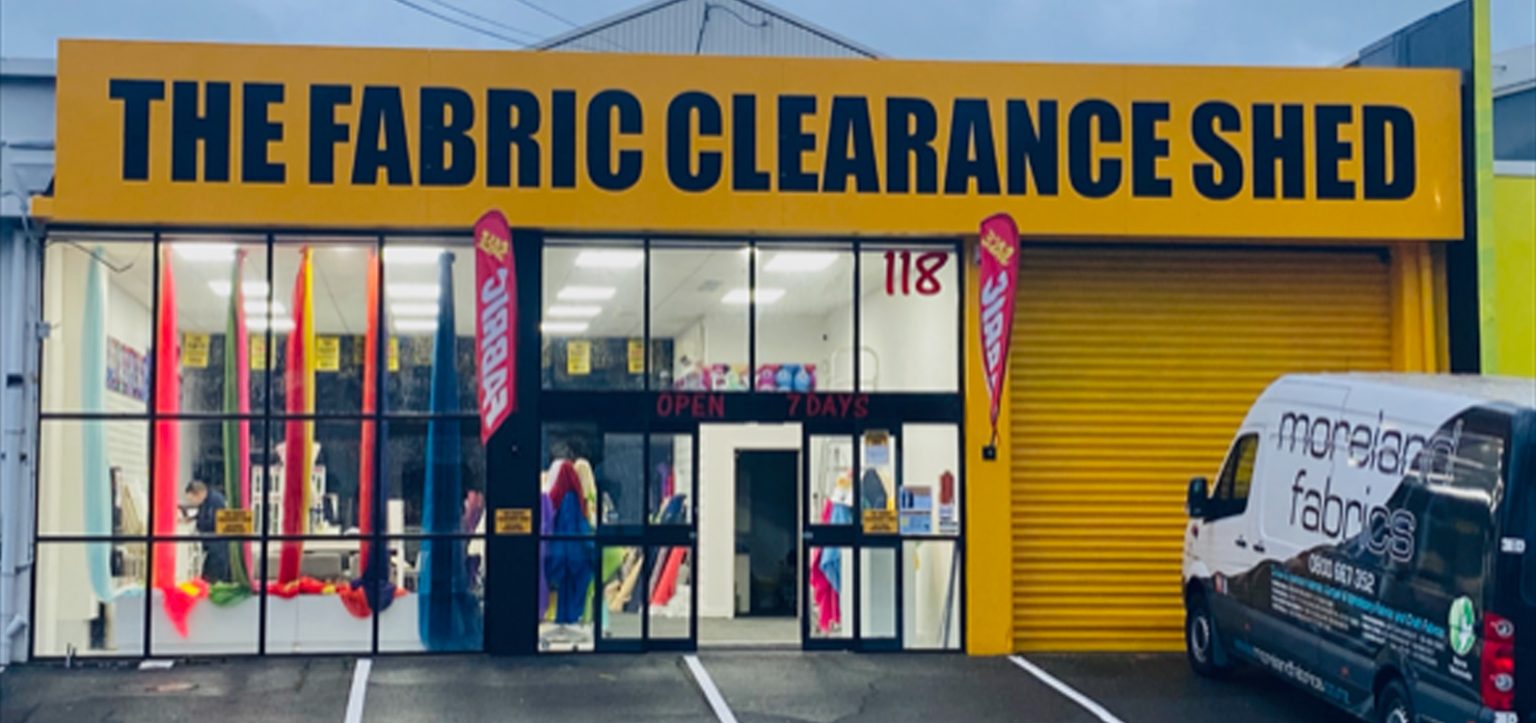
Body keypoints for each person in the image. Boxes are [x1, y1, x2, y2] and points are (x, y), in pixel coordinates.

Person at [184, 480, 230, 582]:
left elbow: (215, 521)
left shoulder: (216, 501)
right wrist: (193, 518)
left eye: (192, 499)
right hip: (211, 541)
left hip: (217, 542)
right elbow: (203, 515)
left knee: (213, 571)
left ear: (199, 493)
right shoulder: (205, 501)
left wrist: (200, 524)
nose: (192, 503)